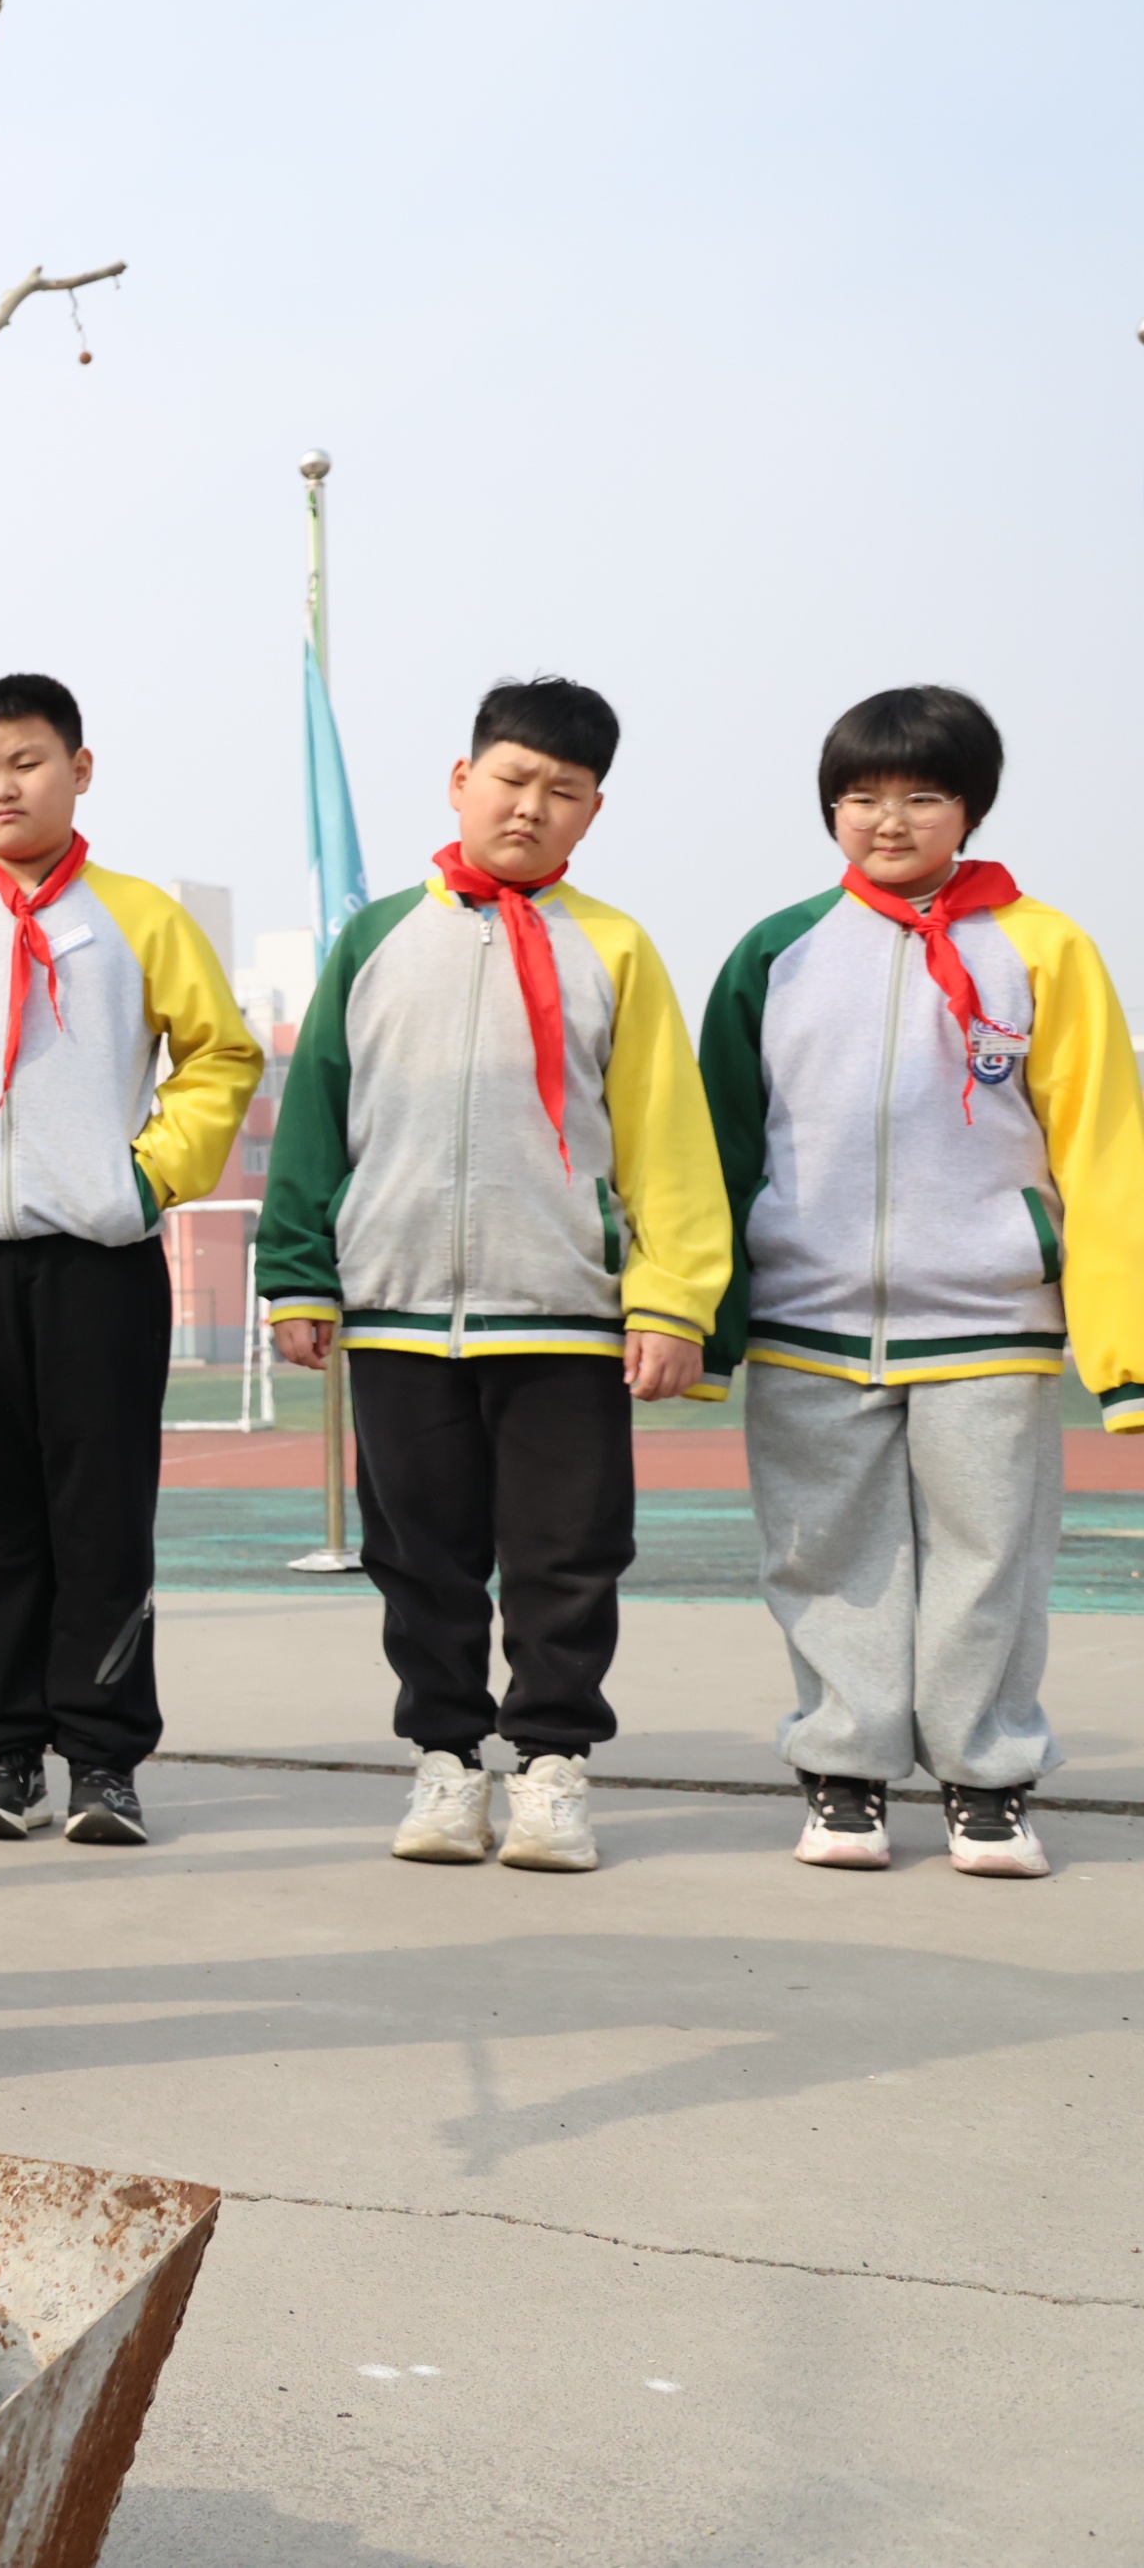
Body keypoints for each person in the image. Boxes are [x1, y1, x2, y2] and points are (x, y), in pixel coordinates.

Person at [256, 678, 728, 1875]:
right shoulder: (373, 940)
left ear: (591, 812)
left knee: (566, 1557)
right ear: (460, 782)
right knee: (419, 1559)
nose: (529, 807)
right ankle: (446, 1763)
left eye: (561, 792)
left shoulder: (614, 947)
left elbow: (667, 1139)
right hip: (400, 1314)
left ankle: (553, 1768)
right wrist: (299, 1275)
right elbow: (315, 1118)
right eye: (511, 780)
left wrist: (672, 1299)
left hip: (564, 1315)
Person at [699, 686, 1135, 1878]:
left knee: (988, 1560)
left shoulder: (1045, 948)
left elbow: (1103, 1150)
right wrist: (708, 1324)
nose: (887, 821)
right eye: (859, 798)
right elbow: (717, 1151)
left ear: (971, 808)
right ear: (829, 810)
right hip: (808, 1320)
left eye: (921, 796)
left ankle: (985, 1781)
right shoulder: (774, 952)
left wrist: (1125, 1354)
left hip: (991, 1320)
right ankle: (843, 1774)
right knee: (822, 1556)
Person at [0, 675, 262, 1849]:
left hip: (97, 1262)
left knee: (100, 1512)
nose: (3, 788)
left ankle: (104, 1762)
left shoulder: (139, 919)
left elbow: (219, 1055)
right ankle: (2, 1754)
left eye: (25, 763)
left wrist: (143, 1181)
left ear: (79, 769)